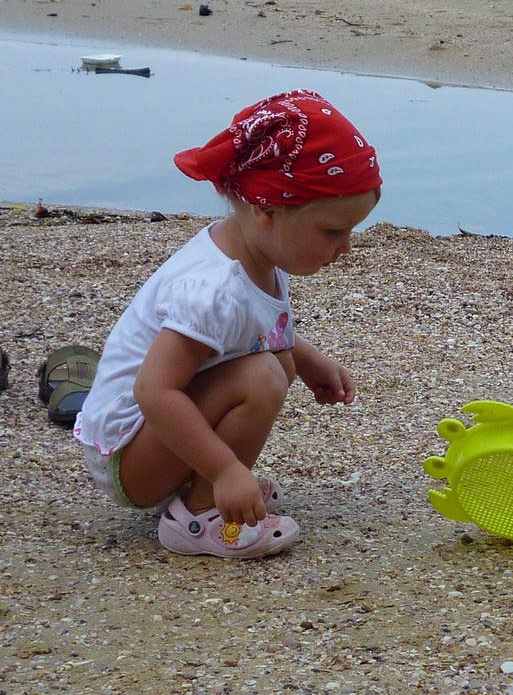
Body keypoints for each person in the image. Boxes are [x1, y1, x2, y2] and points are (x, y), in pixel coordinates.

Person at [74, 90, 382, 559]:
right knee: (261, 375)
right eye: (333, 231)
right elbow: (154, 392)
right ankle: (197, 516)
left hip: (154, 437)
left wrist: (307, 356)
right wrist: (225, 472)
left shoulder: (256, 251)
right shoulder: (213, 287)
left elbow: (253, 326)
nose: (345, 247)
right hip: (128, 457)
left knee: (277, 360)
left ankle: (209, 486)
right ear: (266, 212)